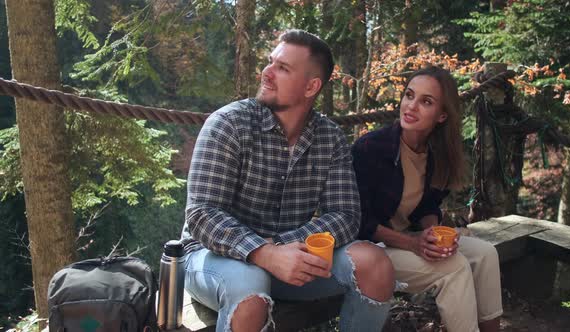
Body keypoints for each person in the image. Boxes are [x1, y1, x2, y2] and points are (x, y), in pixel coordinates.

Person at [180, 29, 395, 332]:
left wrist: (281, 248)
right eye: (271, 62)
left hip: (289, 261)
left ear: (311, 87)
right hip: (211, 258)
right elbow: (202, 215)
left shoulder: (330, 138)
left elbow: (345, 216)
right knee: (250, 287)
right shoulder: (228, 123)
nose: (267, 72)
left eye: (282, 68)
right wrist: (264, 252)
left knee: (376, 264)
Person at [352, 66, 503, 332]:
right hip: (369, 249)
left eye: (426, 101)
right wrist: (413, 243)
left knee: (485, 253)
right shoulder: (370, 149)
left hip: (407, 241)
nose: (411, 106)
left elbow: (427, 206)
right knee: (453, 267)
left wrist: (433, 232)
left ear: (442, 115)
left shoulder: (436, 153)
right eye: (409, 95)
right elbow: (358, 221)